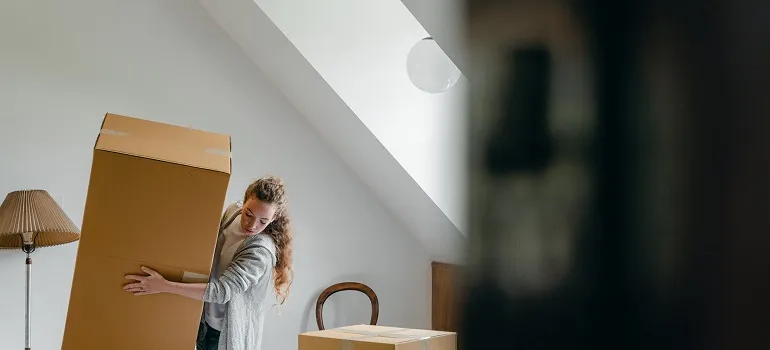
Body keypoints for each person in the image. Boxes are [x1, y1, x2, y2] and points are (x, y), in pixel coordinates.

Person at [122, 176, 294, 350]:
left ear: (273, 218)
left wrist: (164, 285)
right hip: (204, 319)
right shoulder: (233, 213)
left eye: (263, 221)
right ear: (244, 201)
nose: (252, 225)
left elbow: (221, 292)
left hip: (224, 334)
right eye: (248, 213)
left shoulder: (260, 252)